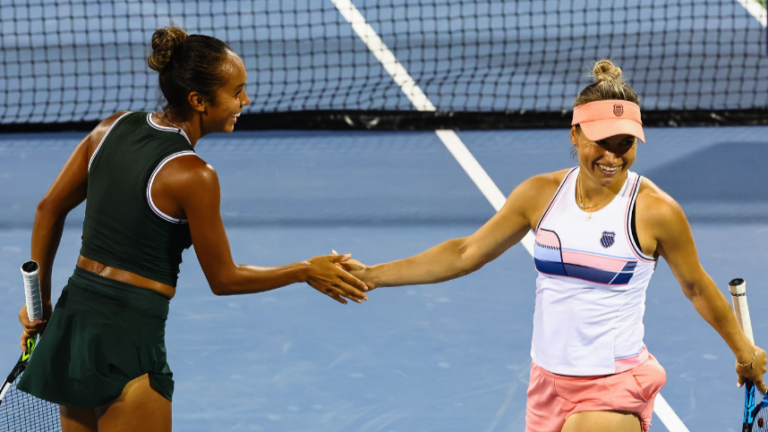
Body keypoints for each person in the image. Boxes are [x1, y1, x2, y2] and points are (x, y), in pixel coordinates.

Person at [336, 60, 767, 432]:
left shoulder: (655, 211)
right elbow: (466, 253)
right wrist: (373, 276)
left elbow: (696, 286)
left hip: (614, 385)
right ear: (575, 134)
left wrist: (744, 352)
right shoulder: (539, 195)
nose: (613, 157)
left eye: (625, 144)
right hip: (546, 383)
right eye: (602, 142)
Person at [16, 26, 368, 432]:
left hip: (73, 323)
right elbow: (224, 279)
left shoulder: (109, 128)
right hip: (128, 333)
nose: (245, 101)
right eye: (236, 92)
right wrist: (305, 269)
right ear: (199, 100)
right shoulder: (194, 175)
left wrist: (39, 307)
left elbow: (47, 209)